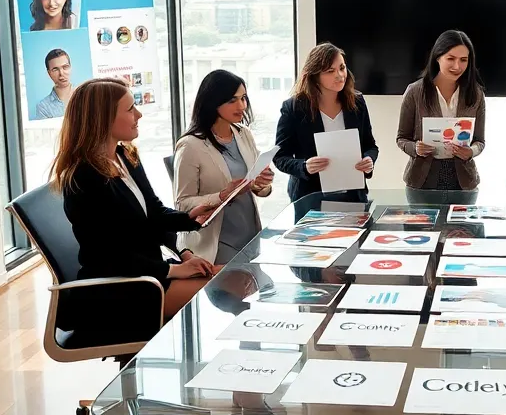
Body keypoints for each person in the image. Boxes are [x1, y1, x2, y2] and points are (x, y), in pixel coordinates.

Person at [51, 78, 218, 324]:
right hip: (119, 288)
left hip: (146, 274)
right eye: (130, 109)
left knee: (235, 278)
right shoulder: (84, 177)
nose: (138, 114)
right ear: (103, 119)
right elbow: (107, 255)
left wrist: (187, 225)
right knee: (225, 288)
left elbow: (153, 214)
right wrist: (173, 270)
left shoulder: (124, 156)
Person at [174, 70, 276, 265]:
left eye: (243, 98)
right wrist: (223, 195)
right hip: (216, 243)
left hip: (250, 236)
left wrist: (262, 183)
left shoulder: (243, 133)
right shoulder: (190, 146)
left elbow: (258, 189)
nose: (241, 106)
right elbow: (182, 204)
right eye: (232, 100)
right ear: (214, 102)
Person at [274, 42, 378, 202]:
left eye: (342, 68)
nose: (339, 75)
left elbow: (370, 145)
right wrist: (304, 166)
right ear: (314, 75)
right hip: (310, 196)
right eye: (330, 71)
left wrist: (369, 160)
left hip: (353, 195)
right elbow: (280, 157)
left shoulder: (357, 102)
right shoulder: (294, 107)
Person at [397, 30, 488, 192]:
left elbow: (480, 141)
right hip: (421, 180)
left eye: (463, 60)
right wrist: (416, 148)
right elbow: (402, 138)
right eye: (450, 59)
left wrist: (470, 152)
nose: (457, 66)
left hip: (464, 180)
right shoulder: (415, 92)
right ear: (438, 57)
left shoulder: (476, 94)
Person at [33, 49, 73, 120]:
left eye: (65, 67)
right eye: (55, 69)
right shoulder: (43, 107)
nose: (61, 73)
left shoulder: (85, 96)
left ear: (70, 67)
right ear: (49, 73)